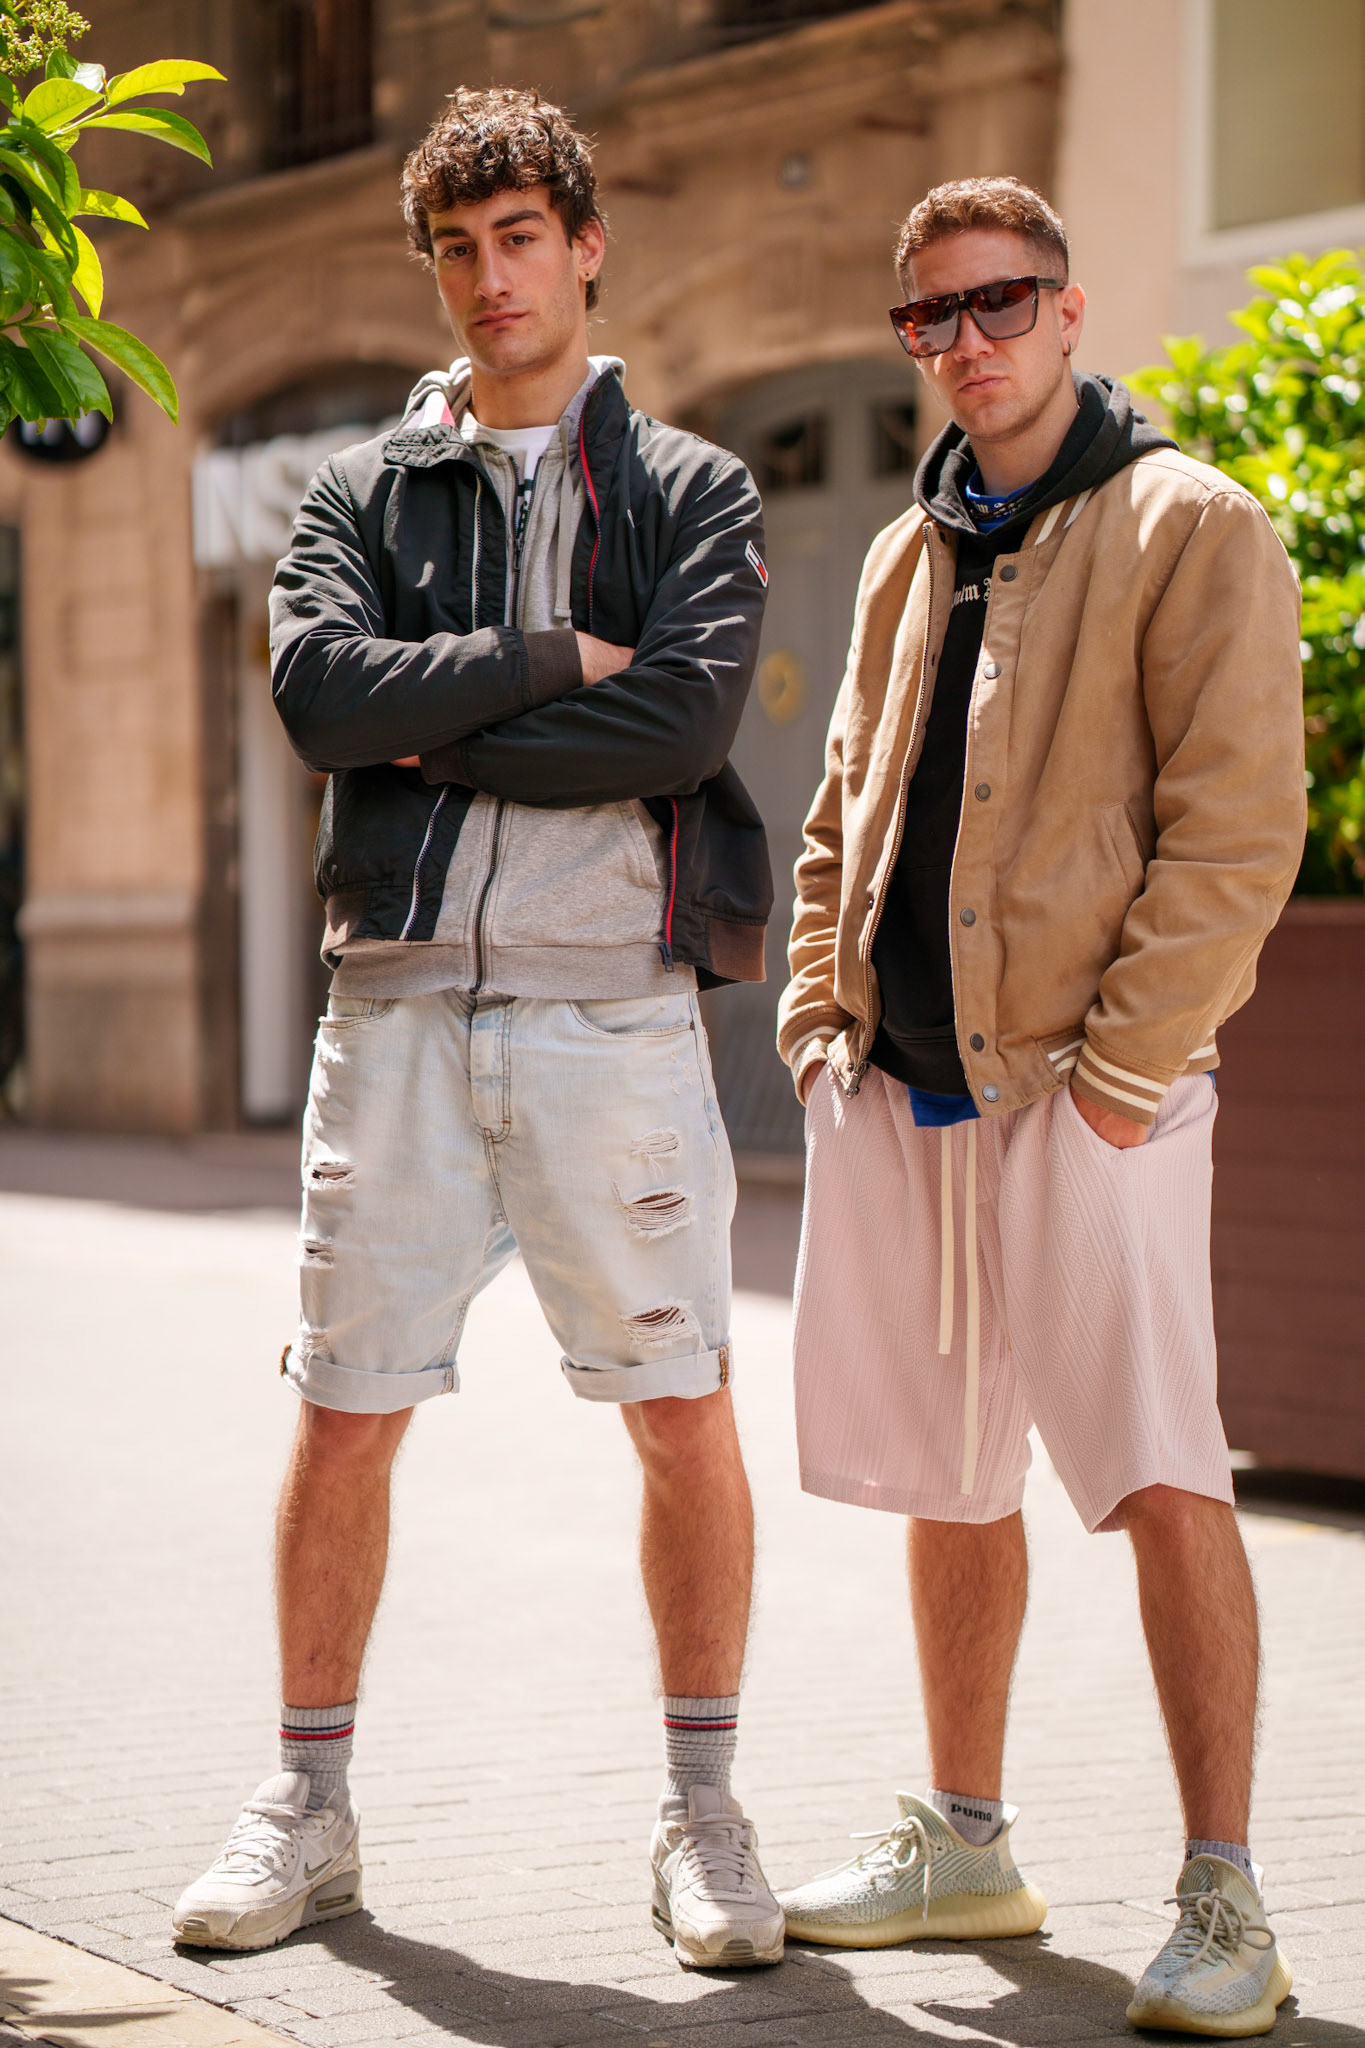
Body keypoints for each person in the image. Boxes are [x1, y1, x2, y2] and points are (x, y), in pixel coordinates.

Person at [172, 85, 784, 1973]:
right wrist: (540, 667)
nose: (490, 277)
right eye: (457, 246)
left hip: (615, 1020)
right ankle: (307, 1806)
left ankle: (702, 1816)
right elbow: (316, 700)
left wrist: (430, 719)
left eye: (521, 238)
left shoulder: (687, 488)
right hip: (402, 1012)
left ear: (586, 246)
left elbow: (681, 732)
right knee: (344, 1416)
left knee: (679, 1416)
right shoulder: (357, 489)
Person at [774, 177, 1305, 2037]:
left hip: (1092, 1093)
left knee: (1161, 1470)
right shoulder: (904, 554)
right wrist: (814, 1008)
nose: (967, 340)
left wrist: (1119, 1085)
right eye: (931, 316)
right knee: (947, 1474)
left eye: (999, 302)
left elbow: (1235, 838)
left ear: (1070, 313)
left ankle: (1227, 1894)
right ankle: (969, 1840)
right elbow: (846, 796)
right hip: (907, 1088)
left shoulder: (1187, 526)